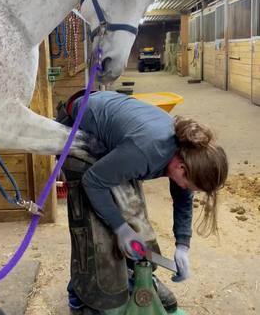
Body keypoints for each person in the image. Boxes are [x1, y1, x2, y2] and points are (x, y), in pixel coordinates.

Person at [56, 90, 228, 314]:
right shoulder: (147, 152)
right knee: (95, 228)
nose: (187, 190)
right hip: (82, 124)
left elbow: (183, 199)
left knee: (131, 213)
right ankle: (79, 295)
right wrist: (120, 227)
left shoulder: (186, 155)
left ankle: (137, 278)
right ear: (181, 168)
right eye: (189, 185)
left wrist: (183, 245)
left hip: (123, 136)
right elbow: (93, 182)